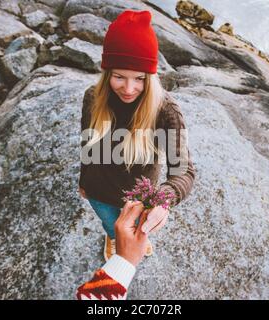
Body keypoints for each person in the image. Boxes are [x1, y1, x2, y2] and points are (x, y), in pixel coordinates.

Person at [78, 10, 195, 261]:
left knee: (137, 229)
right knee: (112, 225)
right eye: (119, 77)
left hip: (140, 199)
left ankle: (132, 238)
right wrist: (83, 178)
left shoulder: (165, 112)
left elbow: (183, 170)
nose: (128, 89)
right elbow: (87, 142)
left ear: (151, 77)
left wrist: (163, 200)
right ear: (107, 72)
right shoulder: (92, 98)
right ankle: (112, 238)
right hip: (99, 192)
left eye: (139, 79)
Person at [76, 200, 148, 300]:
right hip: (99, 192)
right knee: (109, 218)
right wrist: (125, 260)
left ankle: (134, 237)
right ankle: (115, 237)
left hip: (136, 189)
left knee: (135, 215)